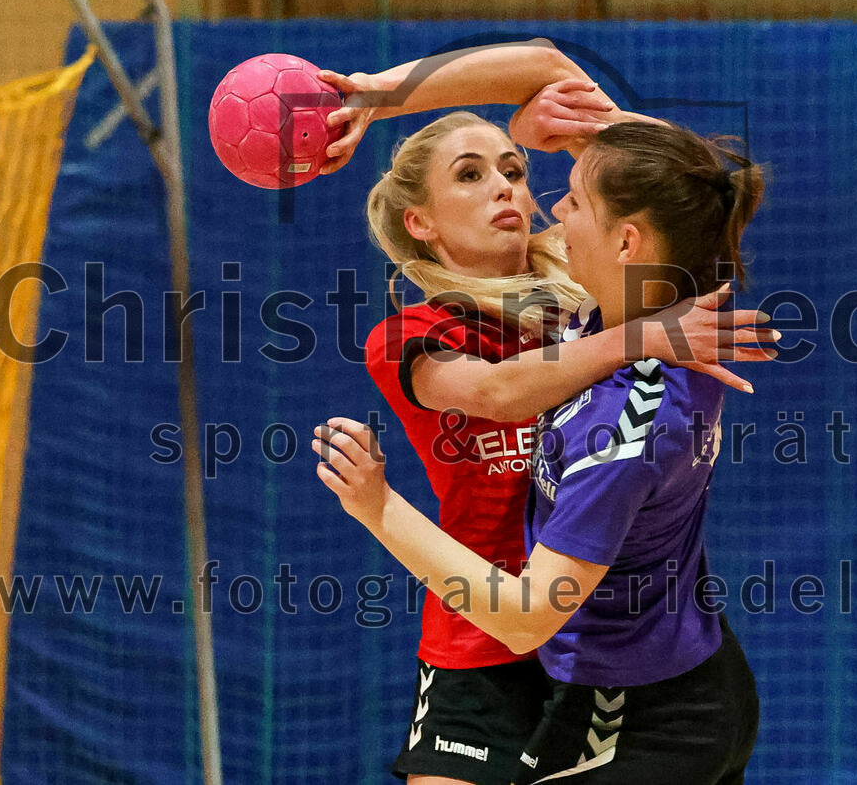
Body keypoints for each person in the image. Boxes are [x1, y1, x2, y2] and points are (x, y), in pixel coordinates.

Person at [315, 41, 774, 784]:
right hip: (486, 632)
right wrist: (379, 96)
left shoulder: (582, 284)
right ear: (420, 221)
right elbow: (499, 392)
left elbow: (670, 182)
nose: (509, 187)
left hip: (585, 634)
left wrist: (572, 127)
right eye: (471, 175)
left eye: (515, 170)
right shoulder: (421, 333)